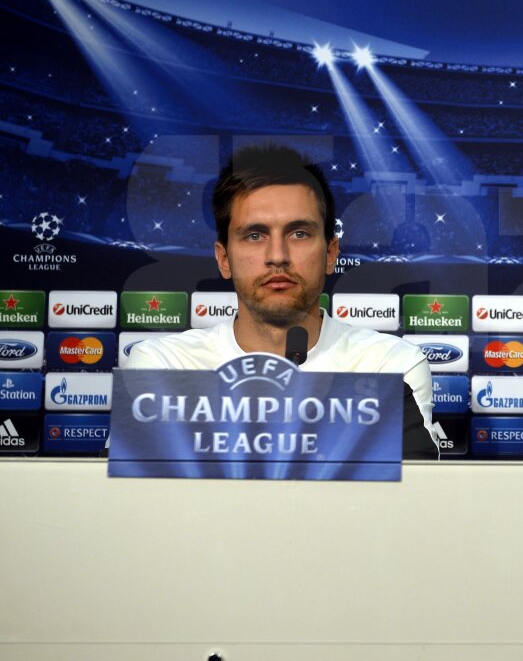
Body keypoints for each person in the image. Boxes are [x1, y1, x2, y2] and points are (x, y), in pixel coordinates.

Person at [126, 143, 438, 458]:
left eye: (299, 233)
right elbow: (133, 488)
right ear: (224, 259)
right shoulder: (164, 366)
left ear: (331, 253)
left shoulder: (389, 365)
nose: (277, 256)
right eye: (254, 235)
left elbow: (414, 490)